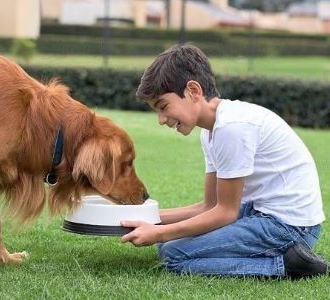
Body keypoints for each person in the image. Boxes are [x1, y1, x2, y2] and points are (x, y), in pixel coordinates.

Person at [120, 44, 328, 279]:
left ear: (193, 91)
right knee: (170, 242)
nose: (161, 119)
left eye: (163, 106)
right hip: (260, 213)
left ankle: (288, 265)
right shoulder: (211, 132)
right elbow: (209, 206)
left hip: (290, 227)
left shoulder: (232, 128)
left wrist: (159, 233)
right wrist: (143, 218)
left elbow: (225, 213)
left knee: (173, 255)